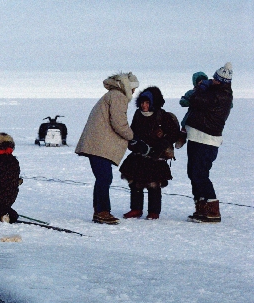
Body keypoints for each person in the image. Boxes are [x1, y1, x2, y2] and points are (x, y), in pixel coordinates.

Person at [74, 72, 139, 224]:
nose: (134, 92)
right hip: (99, 145)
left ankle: (100, 211)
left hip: (97, 143)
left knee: (102, 178)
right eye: (133, 88)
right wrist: (133, 137)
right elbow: (119, 123)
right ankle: (102, 211)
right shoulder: (118, 96)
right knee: (104, 178)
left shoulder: (112, 95)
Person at [118, 87, 181, 220]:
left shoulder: (162, 115)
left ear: (152, 103)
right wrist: (135, 144)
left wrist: (162, 144)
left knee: (154, 185)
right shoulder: (137, 114)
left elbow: (174, 133)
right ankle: (136, 209)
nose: (144, 105)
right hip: (140, 154)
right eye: (142, 103)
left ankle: (154, 211)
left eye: (147, 103)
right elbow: (133, 132)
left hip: (155, 156)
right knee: (135, 183)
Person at [184, 62, 232, 223]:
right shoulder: (217, 92)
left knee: (200, 173)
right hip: (197, 136)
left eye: (215, 79)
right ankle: (201, 206)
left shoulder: (220, 95)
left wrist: (202, 87)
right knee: (193, 172)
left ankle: (212, 209)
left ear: (221, 81)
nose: (212, 80)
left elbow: (194, 100)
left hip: (206, 139)